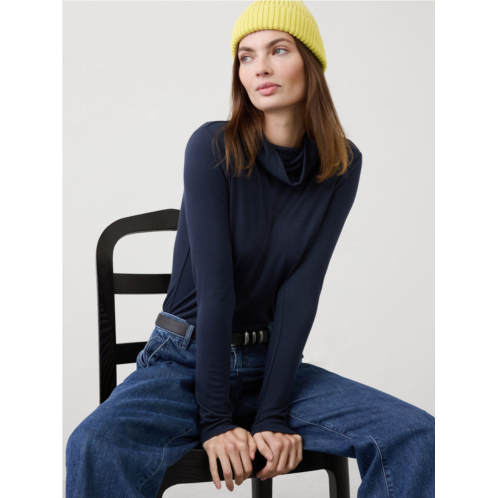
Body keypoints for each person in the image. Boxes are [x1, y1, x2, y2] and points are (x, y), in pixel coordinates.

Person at [66, 1, 435, 497]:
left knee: (418, 437)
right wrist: (216, 420)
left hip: (270, 367)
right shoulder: (212, 146)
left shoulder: (341, 164)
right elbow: (217, 290)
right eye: (246, 56)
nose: (259, 67)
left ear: (310, 62)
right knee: (94, 446)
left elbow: (301, 291)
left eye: (278, 50)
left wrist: (274, 413)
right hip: (185, 359)